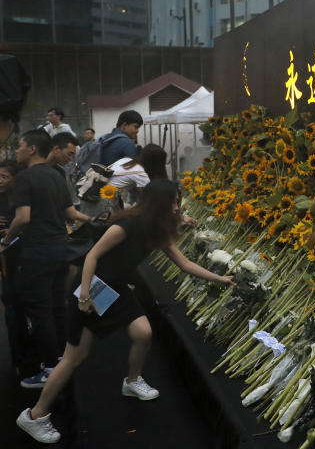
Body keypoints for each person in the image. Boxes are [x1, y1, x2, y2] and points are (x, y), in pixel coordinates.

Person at [15, 179, 235, 444]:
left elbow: (185, 264)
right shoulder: (127, 224)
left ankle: (132, 381)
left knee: (143, 333)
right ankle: (34, 415)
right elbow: (92, 256)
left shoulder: (158, 229)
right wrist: (84, 295)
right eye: (174, 201)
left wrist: (221, 279)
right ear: (160, 203)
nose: (177, 207)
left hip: (116, 289)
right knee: (75, 357)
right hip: (94, 289)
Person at [0, 130, 92, 390]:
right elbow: (70, 212)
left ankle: (50, 368)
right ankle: (62, 359)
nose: (16, 150)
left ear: (31, 149)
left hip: (36, 253)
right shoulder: (57, 174)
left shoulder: (25, 178)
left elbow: (23, 218)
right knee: (57, 308)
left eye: (19, 146)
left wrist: (5, 242)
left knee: (40, 313)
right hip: (60, 250)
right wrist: (92, 219)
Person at [0, 159, 31, 377]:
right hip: (7, 262)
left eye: (4, 176)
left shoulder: (24, 198)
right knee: (12, 305)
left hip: (27, 258)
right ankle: (19, 359)